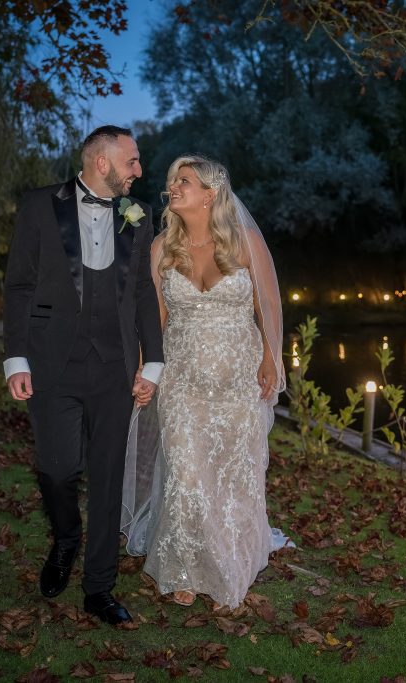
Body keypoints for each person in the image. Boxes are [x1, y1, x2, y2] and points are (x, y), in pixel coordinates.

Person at [2, 125, 163, 625]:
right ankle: (65, 537)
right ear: (102, 162)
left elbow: (140, 293)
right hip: (53, 363)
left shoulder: (139, 216)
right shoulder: (37, 205)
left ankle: (99, 588)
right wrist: (16, 358)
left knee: (110, 474)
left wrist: (152, 362)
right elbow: (19, 286)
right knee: (55, 468)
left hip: (114, 366)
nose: (139, 170)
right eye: (132, 161)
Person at [123, 155, 288, 609]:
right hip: (181, 377)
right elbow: (152, 318)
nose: (172, 187)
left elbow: (268, 307)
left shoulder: (245, 241)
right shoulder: (161, 248)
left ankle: (228, 565)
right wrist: (144, 367)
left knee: (234, 473)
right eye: (173, 180)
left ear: (210, 194)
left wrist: (272, 361)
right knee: (186, 472)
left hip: (238, 376)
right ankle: (184, 566)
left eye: (185, 181)